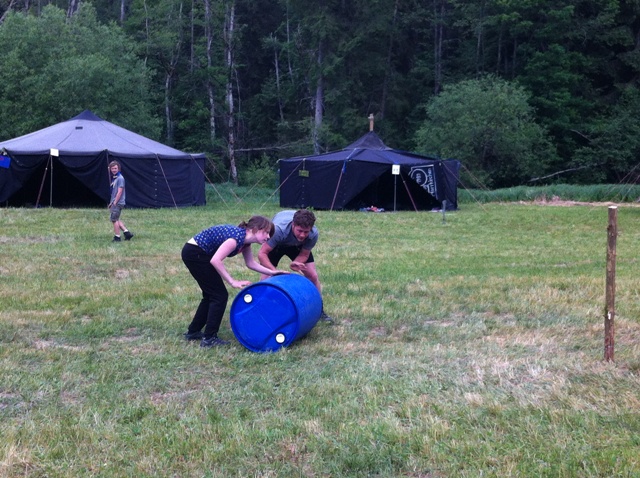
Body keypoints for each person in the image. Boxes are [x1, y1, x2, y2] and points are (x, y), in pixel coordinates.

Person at [181, 216, 288, 348]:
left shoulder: (245, 242)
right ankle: (209, 339)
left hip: (198, 253)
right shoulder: (235, 239)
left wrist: (272, 272)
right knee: (219, 296)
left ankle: (193, 331)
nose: (268, 237)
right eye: (265, 232)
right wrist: (232, 281)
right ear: (254, 229)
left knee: (211, 295)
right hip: (195, 253)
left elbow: (251, 263)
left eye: (269, 234)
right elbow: (215, 260)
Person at [258, 209, 333, 322]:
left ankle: (319, 310)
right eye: (300, 231)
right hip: (277, 244)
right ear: (293, 225)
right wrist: (273, 271)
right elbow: (262, 254)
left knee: (313, 276)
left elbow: (304, 254)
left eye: (306, 232)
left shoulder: (313, 234)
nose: (302, 235)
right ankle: (260, 308)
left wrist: (296, 262)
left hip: (296, 246)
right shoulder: (278, 230)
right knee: (266, 278)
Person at [108, 160, 133, 242]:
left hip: (118, 202)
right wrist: (111, 202)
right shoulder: (115, 178)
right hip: (115, 201)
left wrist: (115, 202)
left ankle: (117, 237)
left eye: (115, 168)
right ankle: (127, 233)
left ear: (118, 168)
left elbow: (120, 191)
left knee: (114, 220)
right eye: (112, 168)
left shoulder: (120, 178)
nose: (114, 170)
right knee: (116, 218)